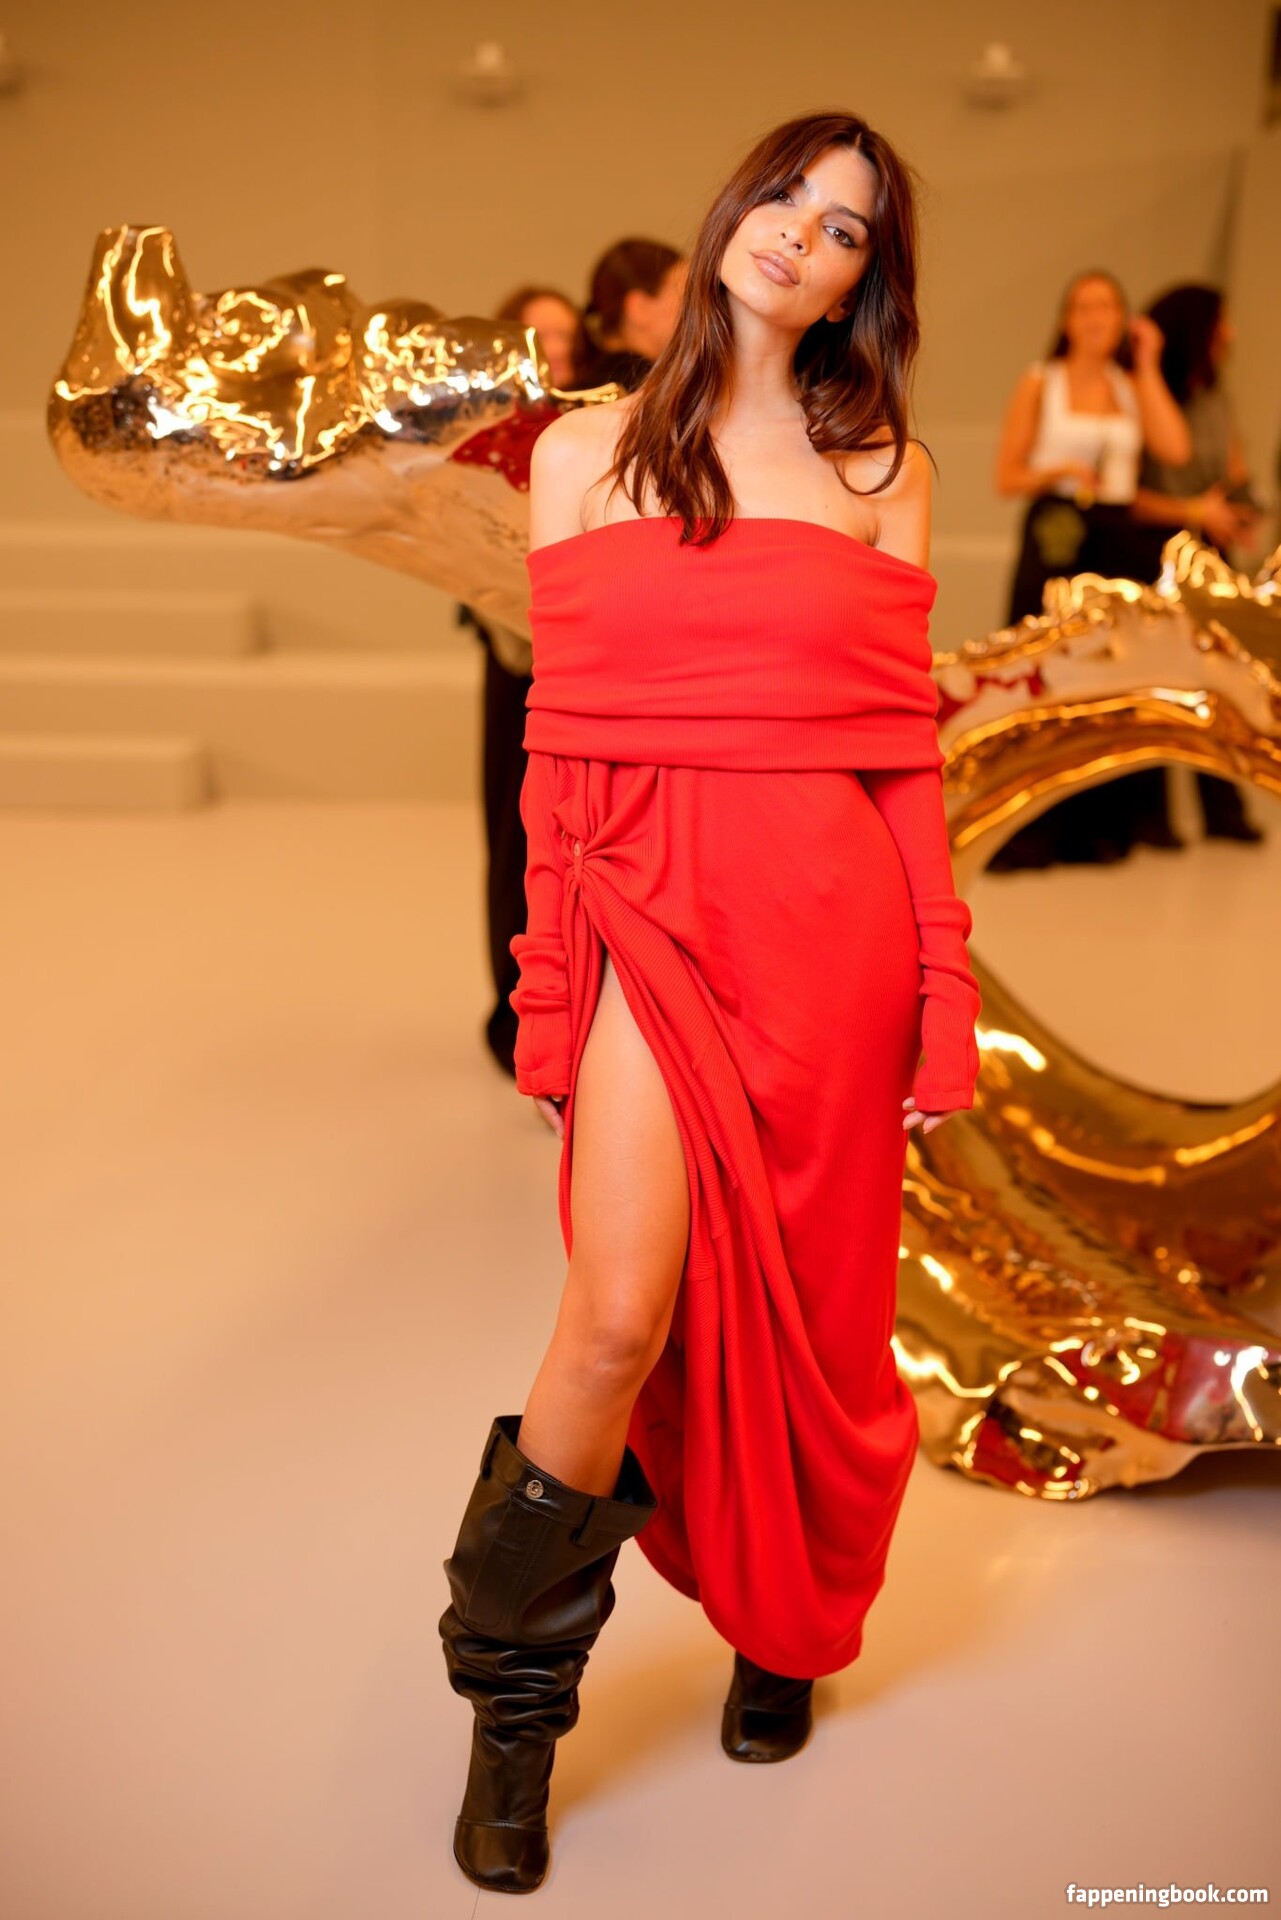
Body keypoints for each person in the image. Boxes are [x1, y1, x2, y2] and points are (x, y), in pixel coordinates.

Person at [437, 109, 983, 1896]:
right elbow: (555, 760)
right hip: (646, 916)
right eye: (787, 198)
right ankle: (513, 1712)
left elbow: (900, 761)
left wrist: (941, 990)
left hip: (828, 939)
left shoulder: (880, 469)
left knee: (816, 1324)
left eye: (846, 230)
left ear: (859, 288)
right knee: (614, 1318)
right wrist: (544, 995)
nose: (801, 237)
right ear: (732, 209)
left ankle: (778, 1625)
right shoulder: (578, 454)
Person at [460, 270, 684, 1077]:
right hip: (516, 663)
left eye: (563, 334)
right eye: (537, 335)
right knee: (517, 840)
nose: (553, 347)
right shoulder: (484, 432)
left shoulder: (593, 427)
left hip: (590, 668)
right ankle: (518, 1014)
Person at [990, 270, 1192, 869]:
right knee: (1049, 671)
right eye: (1084, 306)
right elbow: (1006, 476)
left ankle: (1103, 824)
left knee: (1111, 678)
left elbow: (1176, 450)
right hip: (1059, 531)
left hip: (1117, 538)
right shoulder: (1041, 381)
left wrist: (1148, 364)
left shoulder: (1131, 386)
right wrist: (1057, 473)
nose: (1096, 317)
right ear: (1067, 319)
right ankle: (1035, 826)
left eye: (1108, 306)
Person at [1122, 283, 1266, 844]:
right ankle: (1149, 814)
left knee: (1222, 678)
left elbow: (1234, 470)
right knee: (1155, 680)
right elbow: (1129, 494)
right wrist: (1194, 510)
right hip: (1155, 549)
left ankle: (1222, 806)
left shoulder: (1217, 397)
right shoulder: (1142, 391)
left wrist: (1241, 511)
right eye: (1220, 322)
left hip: (1212, 550)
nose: (1230, 334)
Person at [577, 236, 688, 390]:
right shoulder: (664, 395)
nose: (699, 312)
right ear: (639, 308)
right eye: (685, 297)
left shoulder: (573, 393)